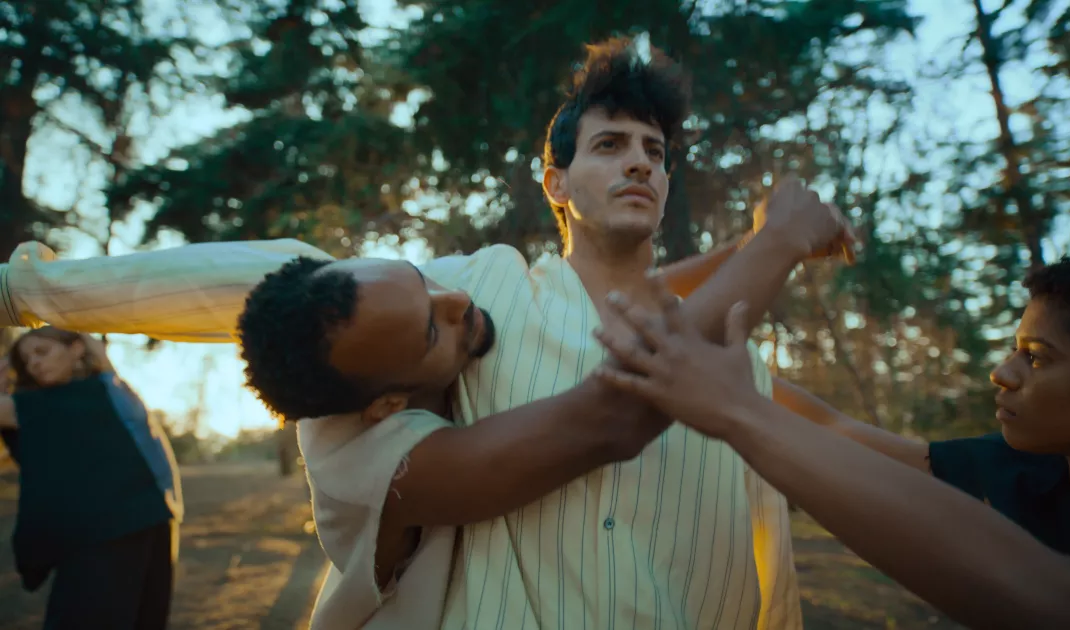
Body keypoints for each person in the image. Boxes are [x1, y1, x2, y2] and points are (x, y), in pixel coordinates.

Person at [0, 39, 853, 630]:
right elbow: (259, 274)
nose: (640, 161)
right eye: (610, 145)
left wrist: (753, 246)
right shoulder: (479, 287)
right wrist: (21, 291)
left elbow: (841, 440)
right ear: (554, 182)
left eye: (655, 150)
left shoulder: (725, 343)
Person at [588, 252, 1070, 629]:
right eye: (1014, 348)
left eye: (1037, 357)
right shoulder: (1027, 469)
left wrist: (735, 410)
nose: (1002, 373)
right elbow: (838, 432)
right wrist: (728, 377)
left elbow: (1063, 603)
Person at [0, 327, 183, 630]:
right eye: (26, 359)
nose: (33, 363)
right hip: (149, 521)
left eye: (41, 351)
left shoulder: (61, 402)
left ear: (76, 348)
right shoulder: (106, 392)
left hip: (111, 536)